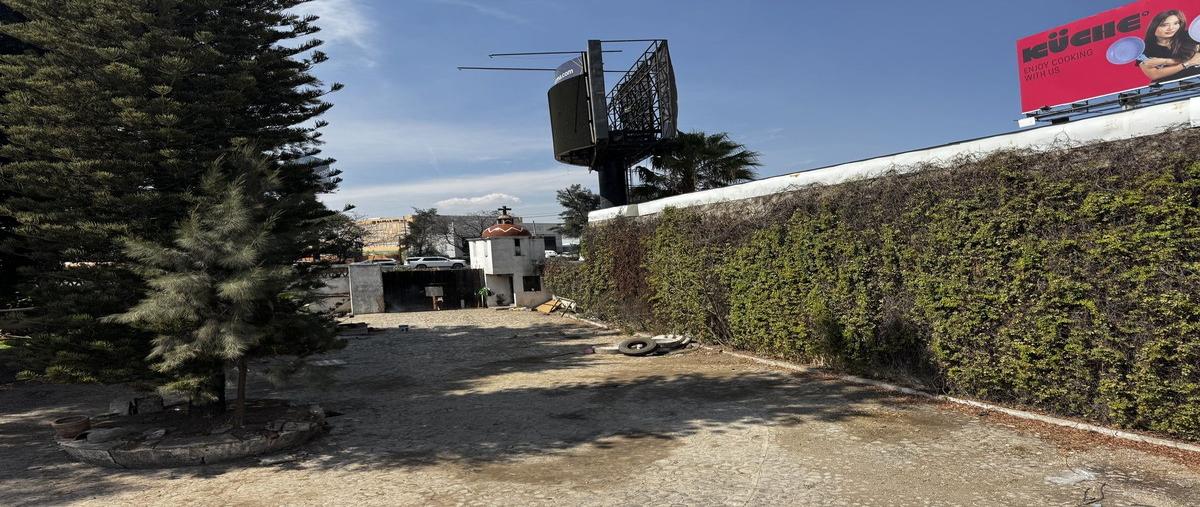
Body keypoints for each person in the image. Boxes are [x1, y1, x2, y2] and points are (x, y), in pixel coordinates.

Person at [1139, 10, 1200, 82]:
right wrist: (1187, 63)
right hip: (1170, 89)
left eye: (1176, 23)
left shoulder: (1189, 35)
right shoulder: (1143, 48)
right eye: (1164, 25)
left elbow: (1198, 58)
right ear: (1154, 26)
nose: (1171, 28)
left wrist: (1163, 61)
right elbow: (1154, 74)